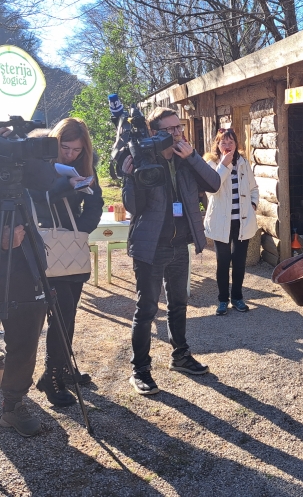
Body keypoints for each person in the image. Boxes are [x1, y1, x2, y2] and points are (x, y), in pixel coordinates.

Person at [122, 107, 220, 395]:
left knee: (178, 303)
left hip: (179, 244)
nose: (178, 133)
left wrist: (193, 157)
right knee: (147, 309)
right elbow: (133, 206)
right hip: (151, 247)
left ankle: (181, 356)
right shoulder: (145, 159)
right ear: (154, 132)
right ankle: (140, 369)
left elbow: (214, 184)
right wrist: (131, 176)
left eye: (179, 127)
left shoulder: (185, 158)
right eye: (170, 129)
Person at [29, 118, 104, 407]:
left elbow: (96, 202)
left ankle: (60, 368)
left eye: (77, 150)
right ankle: (52, 376)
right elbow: (36, 198)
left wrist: (82, 228)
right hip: (45, 246)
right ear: (56, 142)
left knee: (68, 314)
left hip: (71, 247)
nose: (71, 154)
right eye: (66, 148)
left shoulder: (85, 163)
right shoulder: (39, 161)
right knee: (62, 314)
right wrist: (65, 185)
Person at [0, 126, 59, 437]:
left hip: (22, 261)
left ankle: (13, 403)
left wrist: (20, 144)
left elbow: (46, 181)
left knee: (25, 333)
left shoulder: (11, 147)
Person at [203, 128, 259, 316]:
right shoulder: (211, 164)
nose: (227, 146)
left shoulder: (243, 162)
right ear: (217, 144)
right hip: (221, 221)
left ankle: (237, 297)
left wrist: (253, 204)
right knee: (223, 262)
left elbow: (253, 188)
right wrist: (224, 165)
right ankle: (222, 300)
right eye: (223, 142)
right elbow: (212, 189)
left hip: (242, 221)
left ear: (236, 144)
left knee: (239, 262)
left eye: (231, 142)